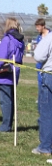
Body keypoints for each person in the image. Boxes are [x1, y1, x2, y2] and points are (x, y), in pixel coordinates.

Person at [0, 18, 24, 132]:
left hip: (4, 73)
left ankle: (5, 126)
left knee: (5, 101)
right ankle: (8, 124)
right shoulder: (20, 41)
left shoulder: (7, 40)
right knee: (10, 100)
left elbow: (0, 57)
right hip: (14, 72)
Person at [33, 23, 52, 155]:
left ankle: (45, 146)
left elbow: (38, 56)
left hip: (50, 75)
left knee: (47, 112)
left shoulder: (49, 38)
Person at [34, 18, 50, 96]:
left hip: (49, 64)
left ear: (43, 26)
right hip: (40, 64)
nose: (37, 29)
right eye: (36, 27)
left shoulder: (50, 35)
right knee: (40, 81)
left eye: (38, 27)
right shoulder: (38, 38)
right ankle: (41, 96)